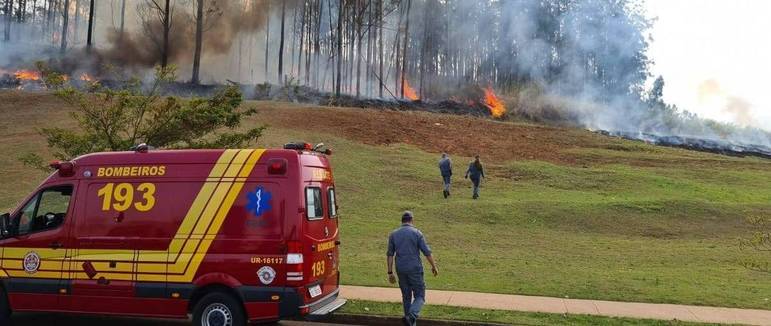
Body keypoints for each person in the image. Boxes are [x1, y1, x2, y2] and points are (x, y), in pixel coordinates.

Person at [387, 211, 438, 326]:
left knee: (406, 297)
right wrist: (434, 266)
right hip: (415, 269)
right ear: (412, 220)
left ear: (402, 221)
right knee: (420, 295)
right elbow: (427, 252)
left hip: (401, 269)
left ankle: (409, 321)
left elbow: (390, 254)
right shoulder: (417, 233)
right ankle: (411, 316)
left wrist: (390, 272)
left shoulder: (393, 234)